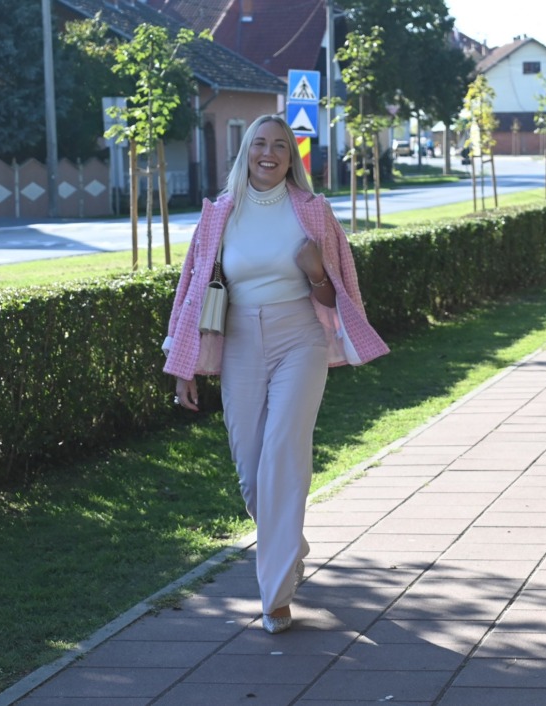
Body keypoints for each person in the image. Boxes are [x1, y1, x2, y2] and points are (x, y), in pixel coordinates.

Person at [162, 114, 389, 634]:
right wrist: (183, 365)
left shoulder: (312, 210)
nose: (269, 153)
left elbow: (335, 294)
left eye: (280, 146)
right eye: (259, 143)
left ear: (292, 157)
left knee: (284, 452)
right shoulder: (219, 214)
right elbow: (192, 289)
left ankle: (276, 596)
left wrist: (315, 271)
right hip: (239, 341)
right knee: (250, 471)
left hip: (300, 338)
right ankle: (290, 542)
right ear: (245, 151)